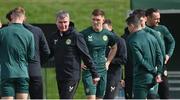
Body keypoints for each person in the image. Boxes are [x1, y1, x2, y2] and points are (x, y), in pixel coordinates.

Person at [48, 10, 100, 99]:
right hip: (60, 75)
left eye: (65, 22)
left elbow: (85, 55)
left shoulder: (76, 36)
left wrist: (94, 74)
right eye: (60, 22)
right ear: (56, 22)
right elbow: (48, 54)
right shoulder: (54, 37)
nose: (63, 25)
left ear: (69, 21)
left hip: (72, 76)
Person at [6, 10, 50, 99]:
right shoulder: (37, 30)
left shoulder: (10, 32)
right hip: (34, 71)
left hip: (17, 73)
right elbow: (46, 52)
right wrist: (38, 64)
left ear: (13, 19)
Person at [80, 9, 117, 99]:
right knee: (91, 98)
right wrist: (79, 62)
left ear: (103, 20)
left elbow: (114, 47)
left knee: (99, 98)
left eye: (98, 20)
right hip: (89, 70)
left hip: (102, 69)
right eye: (93, 19)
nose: (95, 22)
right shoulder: (84, 34)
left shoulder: (108, 34)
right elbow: (76, 49)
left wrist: (108, 62)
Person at [0, 7, 35, 99]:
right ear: (24, 18)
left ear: (11, 16)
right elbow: (31, 57)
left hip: (6, 73)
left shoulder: (1, 32)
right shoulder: (29, 34)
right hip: (22, 73)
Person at [126, 15, 163, 99]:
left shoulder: (133, 40)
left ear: (131, 25)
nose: (128, 29)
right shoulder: (152, 37)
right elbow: (160, 56)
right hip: (154, 78)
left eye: (128, 26)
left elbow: (140, 60)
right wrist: (158, 72)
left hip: (141, 78)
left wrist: (153, 71)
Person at [146, 8, 175, 99]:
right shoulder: (143, 30)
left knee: (165, 95)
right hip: (148, 67)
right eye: (156, 18)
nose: (158, 20)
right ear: (148, 18)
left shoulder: (162, 29)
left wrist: (168, 55)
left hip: (161, 67)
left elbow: (172, 42)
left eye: (159, 18)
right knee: (151, 96)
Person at [103, 19, 127, 99]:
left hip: (113, 76)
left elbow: (123, 59)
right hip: (101, 76)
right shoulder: (101, 40)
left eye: (105, 29)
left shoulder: (119, 41)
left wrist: (109, 61)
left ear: (110, 27)